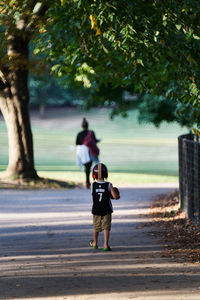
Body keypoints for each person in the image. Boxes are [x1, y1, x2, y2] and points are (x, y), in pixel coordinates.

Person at [89, 163, 120, 251]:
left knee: (96, 227)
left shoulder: (92, 185)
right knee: (106, 227)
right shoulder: (109, 185)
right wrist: (117, 195)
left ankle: (95, 243)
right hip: (106, 209)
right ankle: (106, 245)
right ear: (106, 174)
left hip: (96, 209)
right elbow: (115, 197)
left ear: (93, 174)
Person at [76, 118, 100, 188]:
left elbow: (77, 143)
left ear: (82, 126)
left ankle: (87, 181)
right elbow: (95, 141)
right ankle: (91, 181)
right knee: (91, 166)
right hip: (89, 151)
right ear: (87, 125)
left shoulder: (79, 134)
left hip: (81, 152)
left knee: (87, 167)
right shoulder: (91, 132)